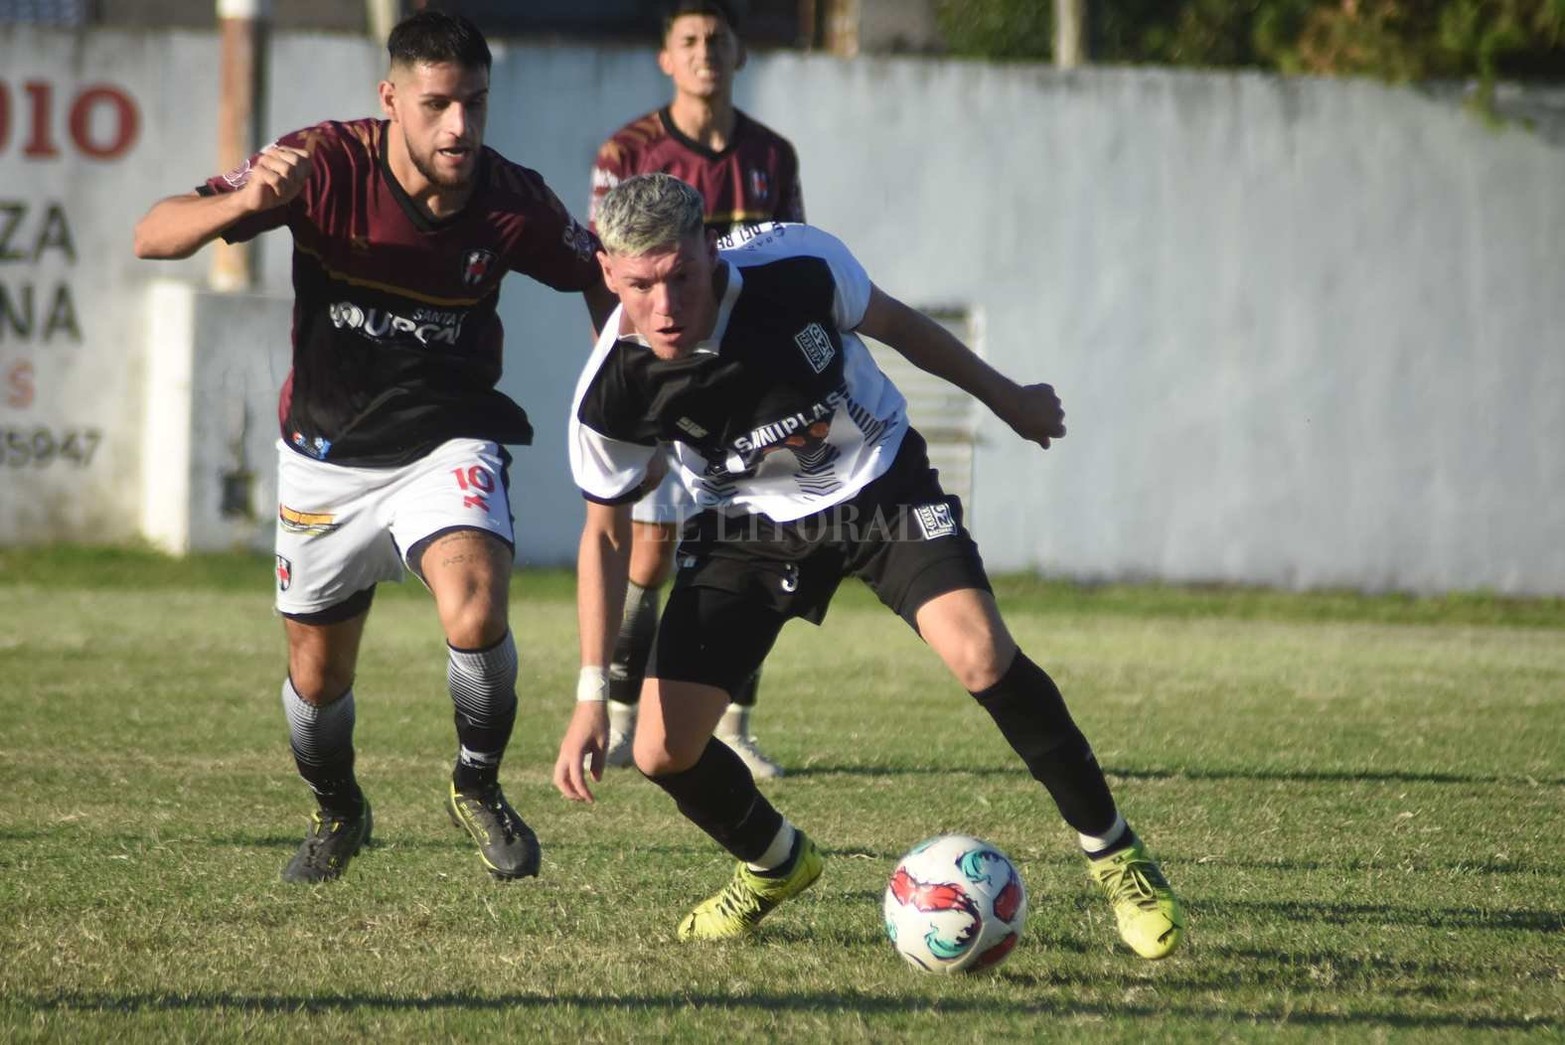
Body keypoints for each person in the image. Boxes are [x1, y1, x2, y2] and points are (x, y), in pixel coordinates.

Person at [553, 173, 1185, 960]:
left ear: (709, 251)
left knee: (981, 652)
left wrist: (1007, 399)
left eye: (681, 275)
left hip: (877, 485)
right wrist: (589, 695)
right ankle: (775, 864)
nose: (667, 304)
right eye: (641, 285)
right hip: (743, 527)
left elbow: (896, 324)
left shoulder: (797, 267)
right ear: (610, 274)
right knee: (659, 750)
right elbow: (607, 536)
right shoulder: (610, 391)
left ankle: (1116, 855)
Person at [133, 10, 615, 884]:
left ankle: (477, 783)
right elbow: (152, 233)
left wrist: (626, 379)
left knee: (474, 602)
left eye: (474, 103)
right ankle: (338, 809)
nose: (459, 126)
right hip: (326, 451)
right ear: (391, 100)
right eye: (437, 105)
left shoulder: (512, 201)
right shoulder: (321, 167)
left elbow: (600, 275)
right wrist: (243, 203)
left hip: (448, 437)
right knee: (317, 681)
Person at [586, 0, 806, 779]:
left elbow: (790, 272)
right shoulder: (629, 151)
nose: (705, 52)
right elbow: (605, 281)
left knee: (754, 544)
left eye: (717, 39)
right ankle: (617, 718)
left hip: (749, 393)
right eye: (689, 40)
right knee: (648, 553)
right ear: (665, 58)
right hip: (663, 385)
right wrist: (630, 406)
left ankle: (735, 726)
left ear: (741, 51)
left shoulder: (772, 156)